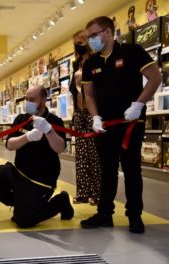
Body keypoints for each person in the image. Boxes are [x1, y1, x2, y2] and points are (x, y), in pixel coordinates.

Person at [81, 16, 162, 233]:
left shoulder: (132, 52)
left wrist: (138, 104)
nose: (91, 40)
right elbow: (89, 96)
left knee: (131, 170)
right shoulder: (91, 63)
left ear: (108, 32)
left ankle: (134, 215)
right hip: (104, 125)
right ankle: (104, 213)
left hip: (131, 123)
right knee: (106, 170)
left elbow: (155, 78)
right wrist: (95, 117)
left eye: (94, 35)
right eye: (89, 37)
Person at [0, 85, 74, 228]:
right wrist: (27, 137)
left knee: (23, 221)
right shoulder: (21, 119)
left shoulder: (55, 121)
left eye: (32, 99)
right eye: (26, 99)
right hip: (18, 172)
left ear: (43, 100)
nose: (28, 102)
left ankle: (60, 202)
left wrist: (49, 131)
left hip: (41, 180)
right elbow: (10, 145)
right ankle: (21, 202)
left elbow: (60, 148)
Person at [69, 30, 102, 205]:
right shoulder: (76, 64)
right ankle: (83, 191)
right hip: (79, 112)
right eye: (75, 43)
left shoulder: (96, 61)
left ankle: (98, 192)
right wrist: (74, 112)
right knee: (81, 154)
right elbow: (75, 90)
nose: (77, 46)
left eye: (80, 42)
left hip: (93, 112)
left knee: (94, 153)